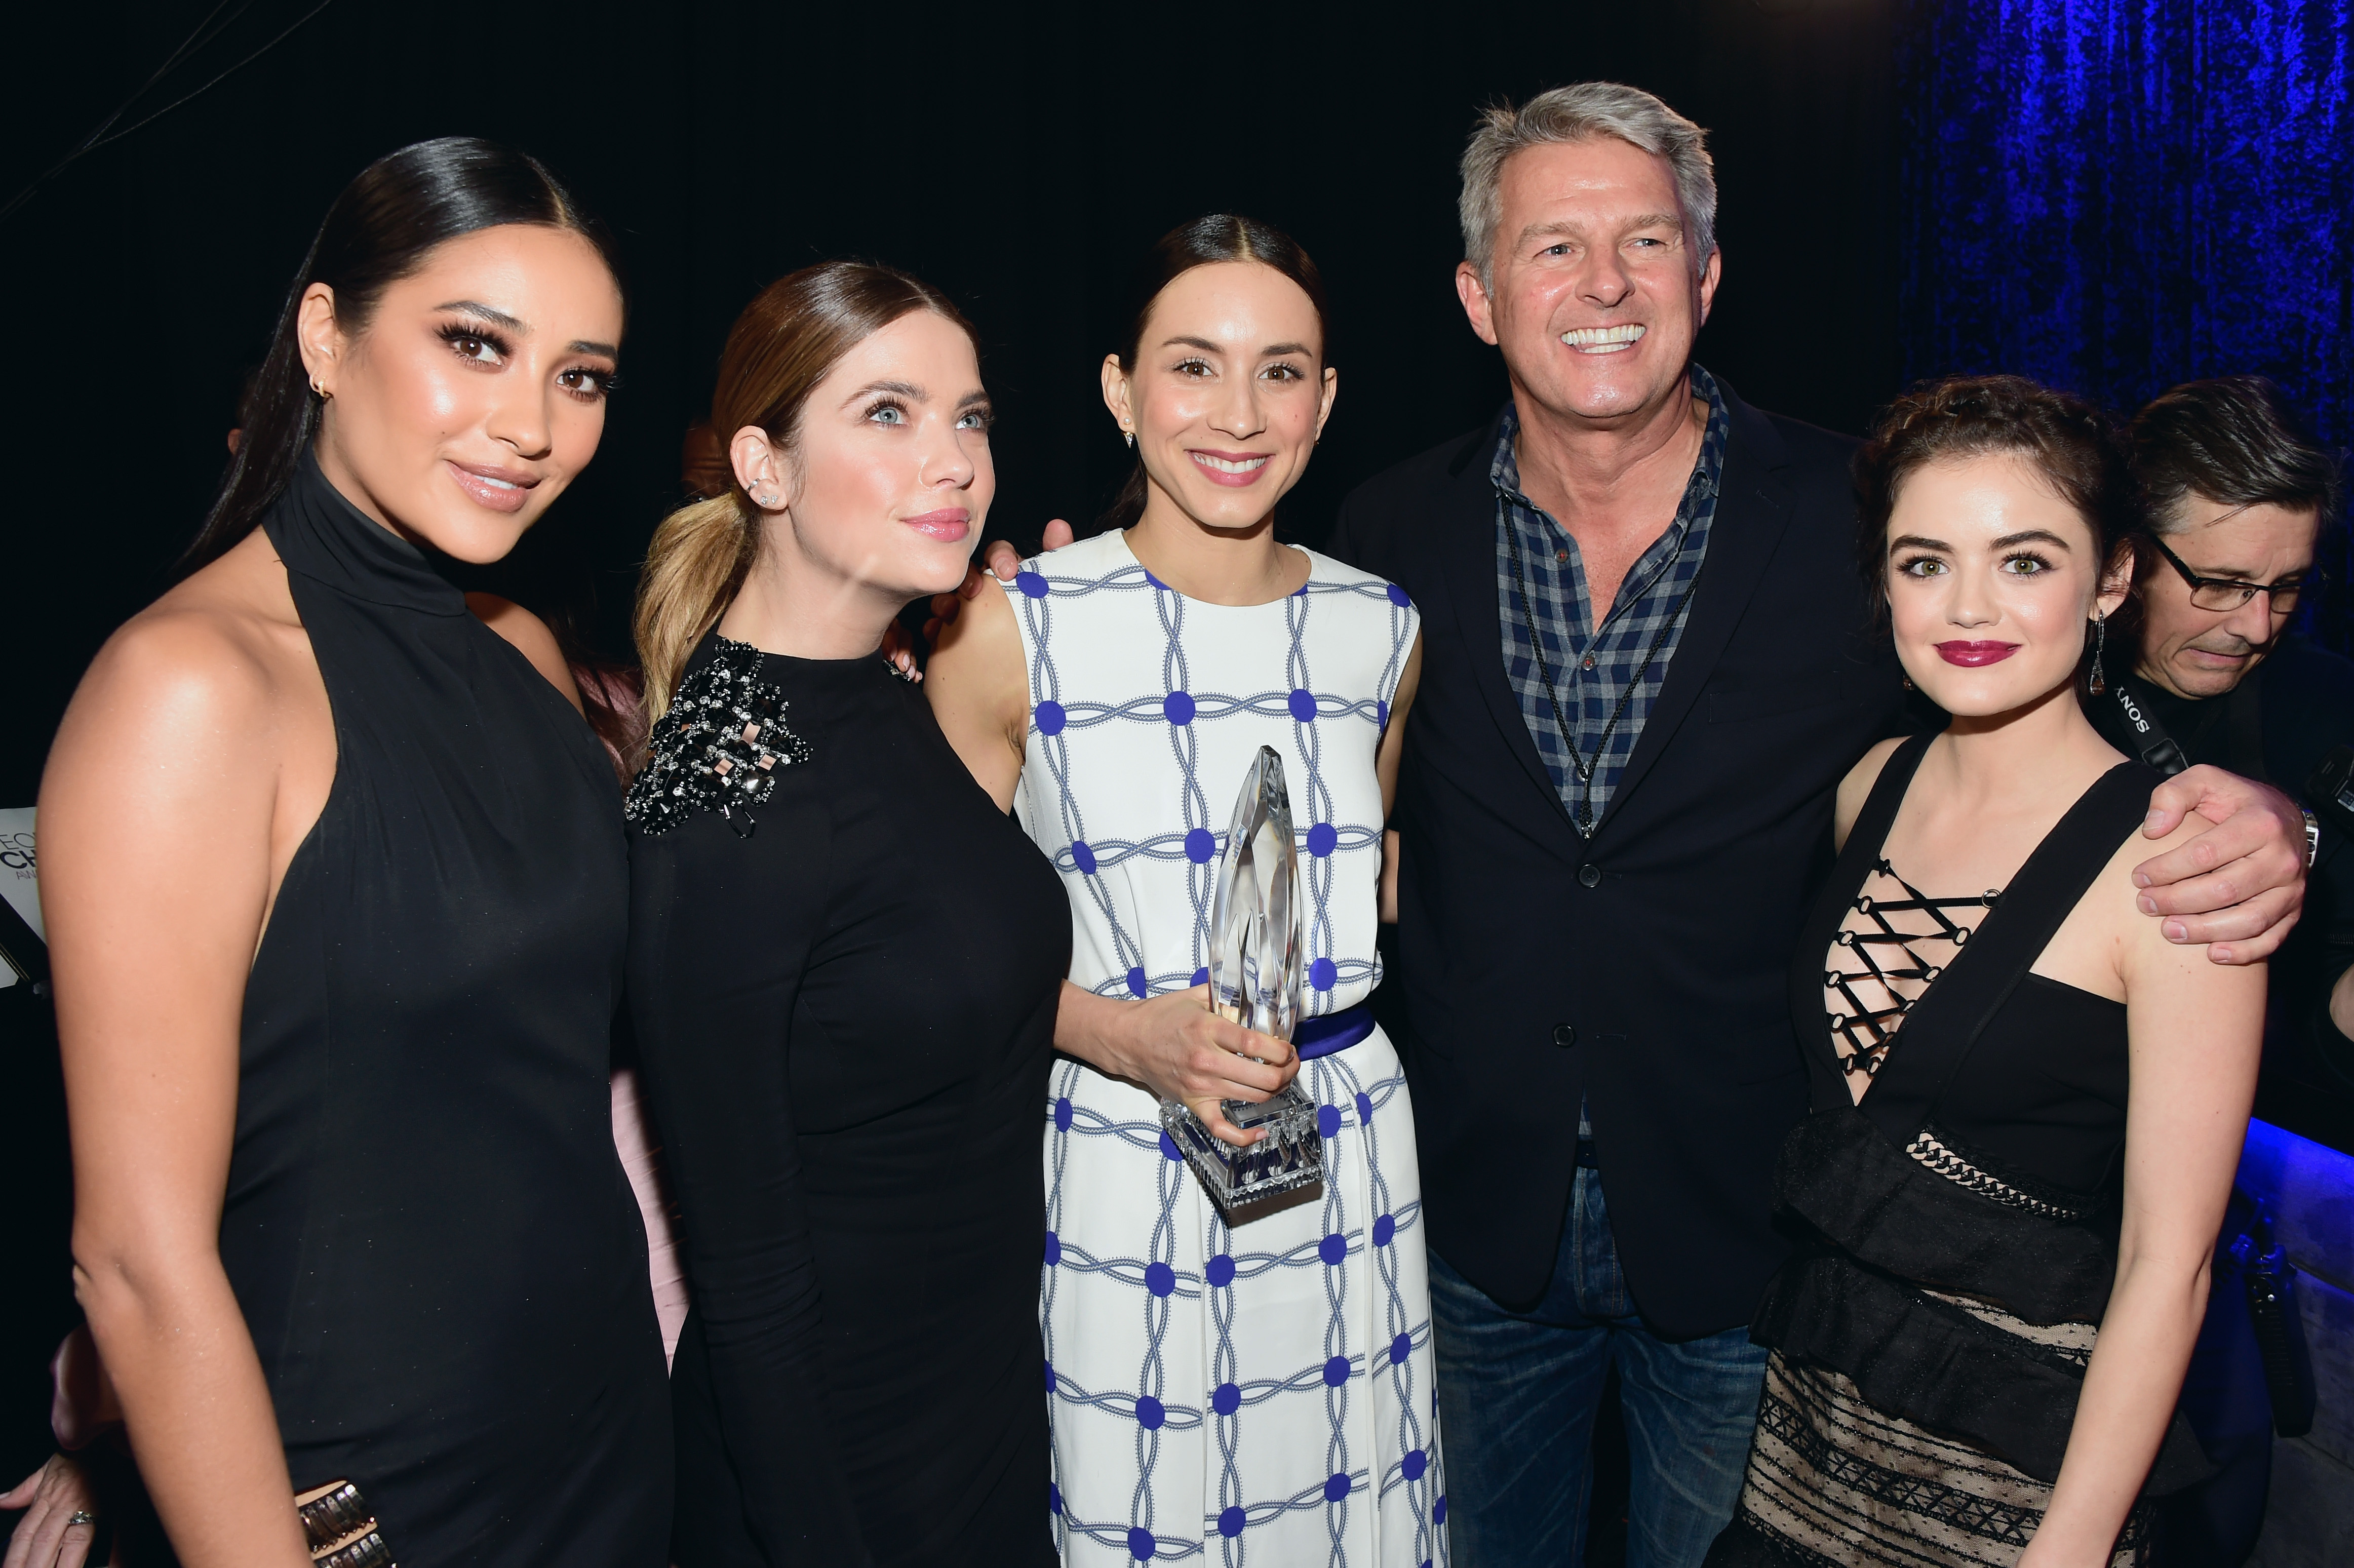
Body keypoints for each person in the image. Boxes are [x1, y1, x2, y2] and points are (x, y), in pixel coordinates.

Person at [948, 85, 2306, 1568]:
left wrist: (2261, 807)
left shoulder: (1858, 516)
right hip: (1458, 1223)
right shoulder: (1384, 545)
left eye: (1644, 242)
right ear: (1478, 298)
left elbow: (2029, 689)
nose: (1603, 284)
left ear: (1706, 278)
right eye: (1553, 248)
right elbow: (1255, 777)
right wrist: (1026, 619)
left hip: (1747, 1241)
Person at [36, 138, 670, 1566]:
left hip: (606, 1461)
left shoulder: (523, 653)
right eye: (474, 344)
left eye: (580, 377)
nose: (531, 424)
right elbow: (133, 1264)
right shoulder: (189, 691)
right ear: (326, 338)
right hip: (363, 1505)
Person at [925, 215, 1441, 1567]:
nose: (1239, 414)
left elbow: (1365, 884)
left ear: (1326, 400)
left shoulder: (1382, 629)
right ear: (1120, 388)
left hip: (1345, 1146)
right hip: (1116, 1148)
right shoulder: (1008, 627)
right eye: (1193, 365)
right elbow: (921, 960)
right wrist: (1116, 1035)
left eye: (1282, 372)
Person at [1708, 375, 2266, 1566]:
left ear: (2110, 579)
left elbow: (2166, 1268)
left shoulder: (2179, 866)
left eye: (2022, 561)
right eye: (1923, 563)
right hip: (1807, 1449)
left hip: (2021, 1480)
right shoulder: (1870, 784)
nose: (1967, 607)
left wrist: (2068, 1550)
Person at [624, 261, 1069, 1567]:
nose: (955, 462)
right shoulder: (724, 798)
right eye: (887, 413)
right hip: (839, 1481)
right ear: (762, 466)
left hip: (978, 1415)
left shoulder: (883, 689)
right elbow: (750, 1291)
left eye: (969, 417)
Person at [2092, 379, 2354, 1113]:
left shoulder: (2332, 704)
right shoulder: (2027, 686)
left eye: (2288, 586)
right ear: (2123, 558)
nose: (2257, 626)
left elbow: (2319, 1040)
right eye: (2222, 583)